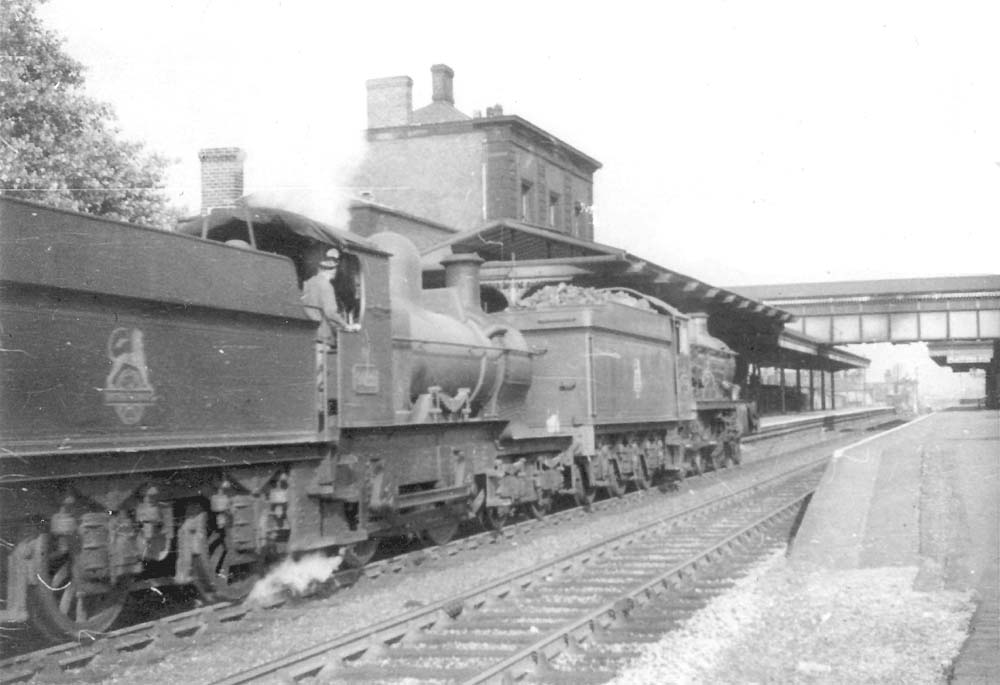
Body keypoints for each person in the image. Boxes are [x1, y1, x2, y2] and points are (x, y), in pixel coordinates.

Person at [301, 247, 361, 337]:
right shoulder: (326, 286)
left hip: (309, 331)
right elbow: (330, 312)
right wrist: (346, 326)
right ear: (333, 270)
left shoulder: (309, 282)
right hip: (323, 333)